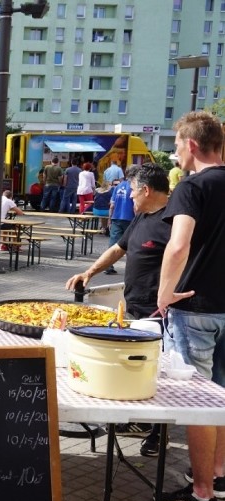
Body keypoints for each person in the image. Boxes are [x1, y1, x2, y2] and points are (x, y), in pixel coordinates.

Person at [66, 163, 171, 457]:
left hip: (160, 314)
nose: (130, 198)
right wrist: (89, 272)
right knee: (135, 371)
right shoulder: (141, 218)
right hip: (135, 309)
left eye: (133, 192)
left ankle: (157, 434)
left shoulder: (174, 221)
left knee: (156, 375)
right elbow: (117, 249)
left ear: (147, 190)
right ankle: (139, 422)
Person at [156, 111, 225, 501]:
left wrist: (164, 294)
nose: (175, 153)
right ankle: (217, 474)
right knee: (223, 395)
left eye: (177, 145)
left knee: (200, 402)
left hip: (195, 308)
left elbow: (178, 246)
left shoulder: (191, 187)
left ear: (192, 145)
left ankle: (202, 495)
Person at [104, 165, 139, 275]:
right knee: (132, 244)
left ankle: (108, 266)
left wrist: (109, 219)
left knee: (113, 243)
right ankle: (131, 268)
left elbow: (112, 205)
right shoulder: (134, 186)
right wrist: (138, 219)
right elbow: (135, 206)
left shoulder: (118, 186)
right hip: (130, 218)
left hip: (116, 217)